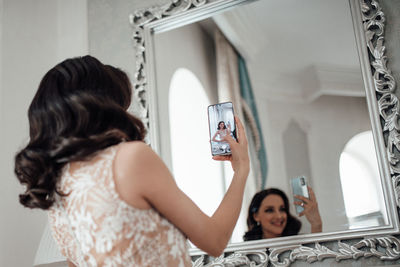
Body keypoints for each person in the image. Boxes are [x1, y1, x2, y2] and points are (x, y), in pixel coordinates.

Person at [14, 55, 250, 267]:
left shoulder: (57, 188)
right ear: (102, 106)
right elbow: (214, 241)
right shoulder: (131, 158)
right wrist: (241, 171)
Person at [243, 187, 322, 241]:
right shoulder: (247, 252)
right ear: (256, 216)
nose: (279, 216)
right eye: (270, 210)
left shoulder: (300, 246)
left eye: (282, 209)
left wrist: (316, 224)